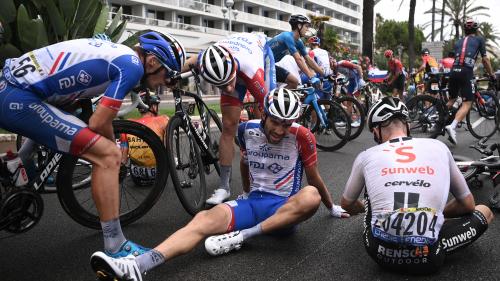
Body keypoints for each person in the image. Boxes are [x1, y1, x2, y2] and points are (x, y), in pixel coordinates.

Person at [89, 88, 349, 281]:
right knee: (203, 218)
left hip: (283, 211)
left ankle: (242, 236)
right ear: (264, 114)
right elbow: (245, 163)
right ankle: (139, 265)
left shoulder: (302, 136)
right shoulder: (247, 130)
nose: (280, 130)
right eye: (275, 122)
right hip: (253, 203)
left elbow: (313, 177)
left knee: (311, 194)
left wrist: (332, 207)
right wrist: (245, 191)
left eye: (286, 124)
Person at [0, 31, 185, 257]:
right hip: (17, 97)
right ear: (153, 62)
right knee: (108, 156)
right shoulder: (133, 65)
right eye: (167, 76)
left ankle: (17, 163)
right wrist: (115, 148)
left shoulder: (115, 51)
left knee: (73, 109)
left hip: (11, 85)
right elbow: (99, 121)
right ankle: (116, 246)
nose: (165, 85)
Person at [340, 97, 494, 274]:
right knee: (485, 211)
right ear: (407, 125)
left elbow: (347, 204)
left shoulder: (366, 156)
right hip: (430, 256)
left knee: (370, 181)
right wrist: (432, 214)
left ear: (376, 131)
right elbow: (468, 204)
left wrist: (367, 208)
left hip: (379, 252)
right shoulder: (439, 146)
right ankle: (426, 225)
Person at [182, 32, 276, 204]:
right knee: (228, 126)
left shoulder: (251, 67)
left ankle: (274, 169)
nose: (229, 88)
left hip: (258, 53)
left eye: (229, 81)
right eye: (222, 86)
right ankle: (224, 187)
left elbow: (272, 110)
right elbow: (188, 63)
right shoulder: (206, 57)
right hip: (231, 60)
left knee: (271, 113)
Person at [445, 19, 497, 145]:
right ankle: (451, 127)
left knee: (451, 100)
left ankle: (441, 121)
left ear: (465, 30)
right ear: (476, 30)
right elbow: (485, 60)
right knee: (467, 102)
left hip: (453, 70)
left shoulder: (459, 41)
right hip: (465, 72)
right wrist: (492, 74)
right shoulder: (479, 40)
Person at [121, 91, 169, 186]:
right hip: (159, 176)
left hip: (137, 178)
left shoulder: (129, 124)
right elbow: (168, 149)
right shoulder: (163, 120)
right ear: (153, 107)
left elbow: (123, 158)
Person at [268, 14, 324, 89]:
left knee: (294, 82)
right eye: (306, 26)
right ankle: (271, 99)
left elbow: (308, 59)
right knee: (266, 93)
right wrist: (311, 76)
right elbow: (298, 59)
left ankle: (277, 99)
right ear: (299, 26)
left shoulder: (299, 41)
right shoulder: (287, 36)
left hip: (270, 65)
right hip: (261, 64)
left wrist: (323, 73)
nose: (307, 29)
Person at [331, 58, 365, 127]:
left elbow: (358, 67)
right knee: (349, 101)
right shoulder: (335, 68)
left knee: (357, 101)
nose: (331, 66)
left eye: (331, 63)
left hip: (357, 80)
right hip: (351, 80)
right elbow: (347, 73)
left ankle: (359, 120)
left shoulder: (342, 63)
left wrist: (361, 79)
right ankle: (347, 120)